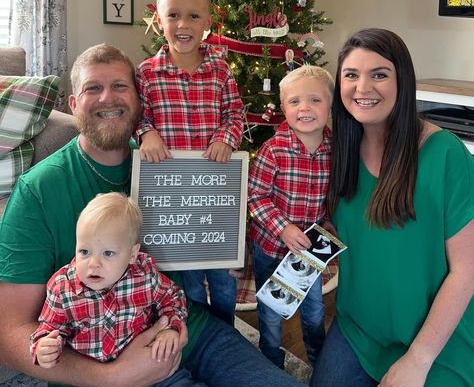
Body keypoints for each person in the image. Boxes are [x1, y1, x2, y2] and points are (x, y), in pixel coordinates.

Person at [0, 43, 306, 387]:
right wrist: (112, 376)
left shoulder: (173, 164)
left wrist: (225, 248)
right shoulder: (38, 191)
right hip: (101, 356)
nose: (107, 98)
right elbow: (8, 333)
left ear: (139, 99)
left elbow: (205, 227)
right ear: (73, 104)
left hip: (188, 330)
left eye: (120, 86)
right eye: (93, 88)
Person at [311, 28, 474, 387]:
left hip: (435, 339)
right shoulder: (337, 151)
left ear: (403, 82)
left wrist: (418, 360)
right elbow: (331, 229)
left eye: (379, 75)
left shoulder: (445, 155)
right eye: (351, 75)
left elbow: (467, 269)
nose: (362, 88)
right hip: (359, 328)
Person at [135, 0, 244, 326]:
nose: (183, 24)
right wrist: (146, 133)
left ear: (207, 21)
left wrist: (226, 138)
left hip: (215, 199)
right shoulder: (147, 74)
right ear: (158, 19)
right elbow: (138, 117)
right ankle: (197, 333)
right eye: (173, 15)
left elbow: (235, 114)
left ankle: (226, 336)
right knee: (190, 284)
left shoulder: (221, 71)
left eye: (193, 15)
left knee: (223, 281)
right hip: (173, 205)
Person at [31, 193, 187, 369]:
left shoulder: (144, 275)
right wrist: (45, 347)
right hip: (90, 375)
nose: (94, 264)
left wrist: (171, 328)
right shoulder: (63, 288)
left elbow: (172, 297)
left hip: (147, 363)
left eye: (108, 253)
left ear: (132, 254)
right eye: (84, 251)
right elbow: (49, 328)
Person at [248, 65, 334, 368]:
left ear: (330, 105)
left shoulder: (334, 150)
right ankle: (270, 363)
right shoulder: (273, 151)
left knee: (314, 312)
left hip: (308, 256)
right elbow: (255, 196)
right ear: (283, 107)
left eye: (315, 100)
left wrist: (329, 221)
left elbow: (334, 194)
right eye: (295, 101)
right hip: (271, 249)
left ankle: (318, 363)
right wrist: (282, 228)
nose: (305, 108)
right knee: (271, 313)